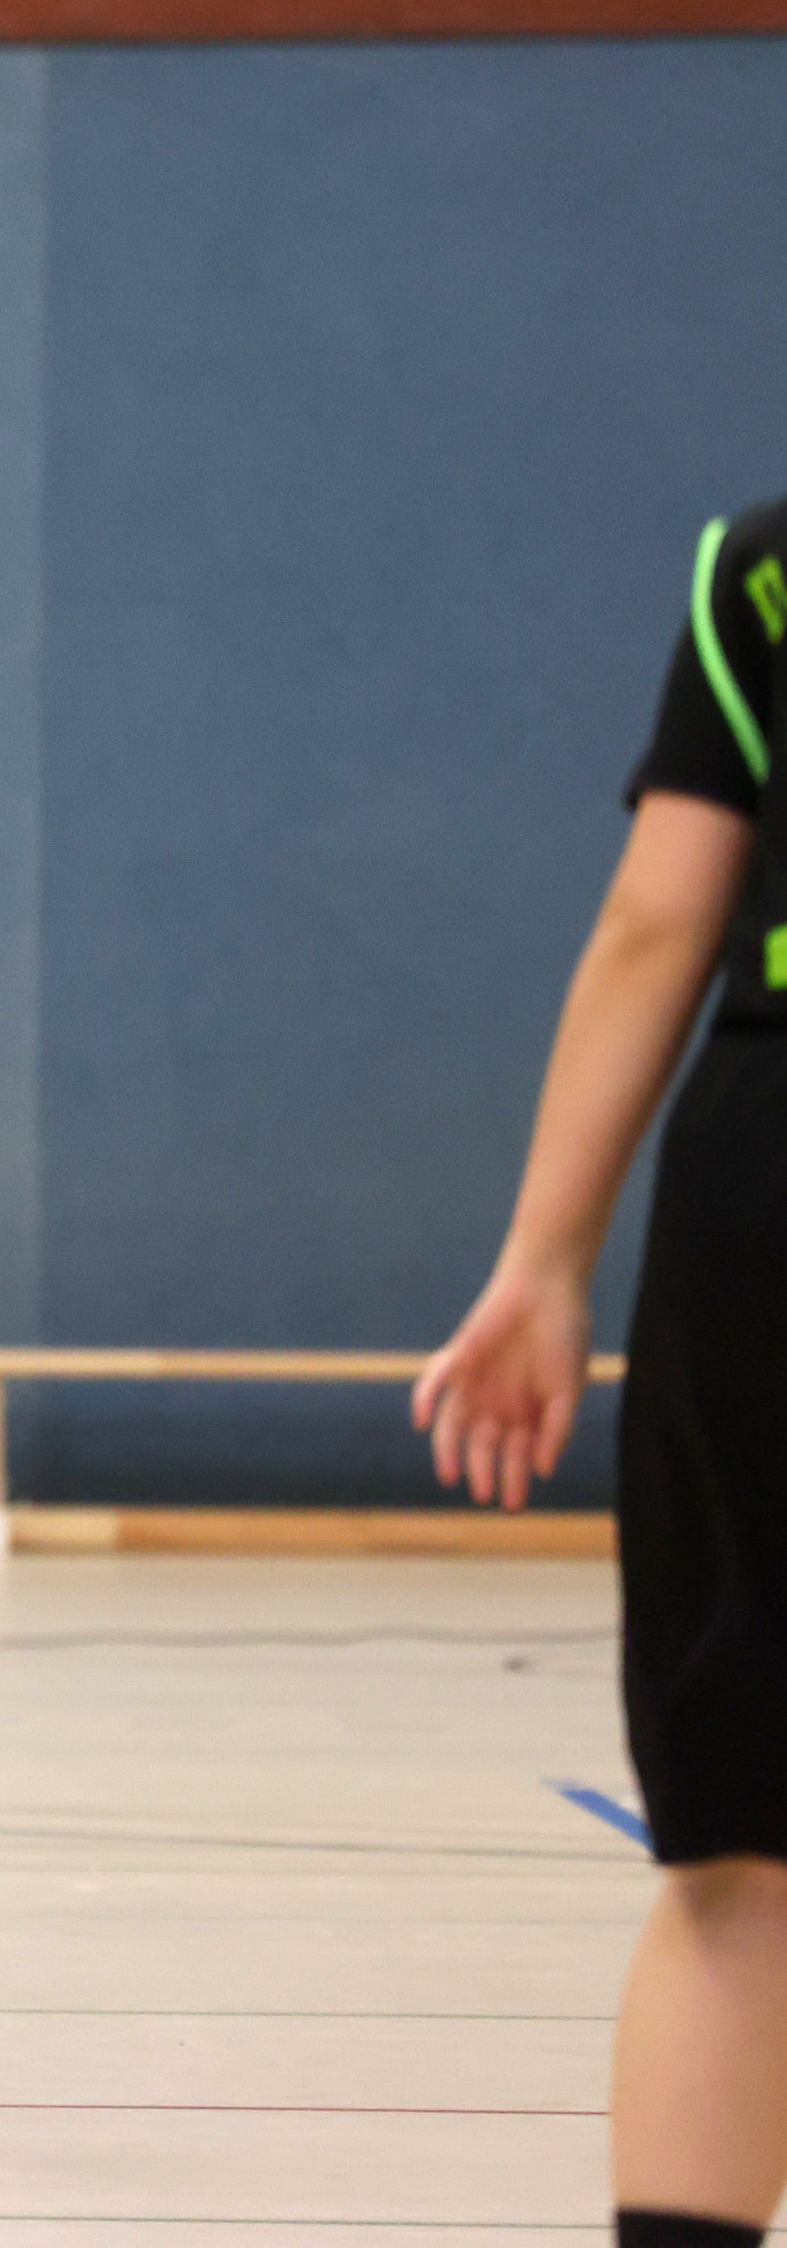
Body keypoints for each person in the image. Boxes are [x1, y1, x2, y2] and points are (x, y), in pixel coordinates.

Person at [412, 495, 787, 2248]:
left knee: (741, 1863)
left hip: (761, 1185)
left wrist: (546, 1260)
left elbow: (658, 922)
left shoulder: (761, 565)